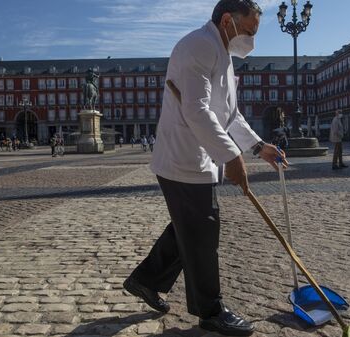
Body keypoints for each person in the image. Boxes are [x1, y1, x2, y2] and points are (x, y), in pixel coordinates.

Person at [123, 2, 287, 336]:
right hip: (183, 159)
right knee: (202, 231)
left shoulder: (220, 50)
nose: (251, 40)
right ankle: (210, 311)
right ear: (228, 20)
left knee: (189, 228)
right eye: (249, 31)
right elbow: (196, 110)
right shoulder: (198, 46)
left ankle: (145, 280)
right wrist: (231, 156)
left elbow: (229, 114)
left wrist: (258, 147)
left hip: (196, 158)